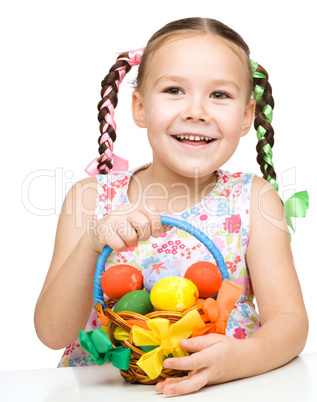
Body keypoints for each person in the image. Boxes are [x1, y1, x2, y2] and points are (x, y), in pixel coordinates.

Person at [34, 17, 309, 396]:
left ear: (246, 117)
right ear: (140, 108)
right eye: (175, 89)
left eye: (220, 95)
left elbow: (291, 323)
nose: (196, 110)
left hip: (226, 392)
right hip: (106, 392)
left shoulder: (254, 200)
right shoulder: (89, 200)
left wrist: (240, 360)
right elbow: (52, 333)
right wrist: (92, 242)